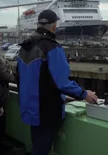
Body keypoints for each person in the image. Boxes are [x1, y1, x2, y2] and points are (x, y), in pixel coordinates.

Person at [16, 10, 98, 155]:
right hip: (46, 110)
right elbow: (61, 82)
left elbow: (23, 78)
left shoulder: (25, 46)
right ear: (54, 26)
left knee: (37, 145)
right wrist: (84, 93)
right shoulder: (52, 47)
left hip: (30, 108)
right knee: (42, 149)